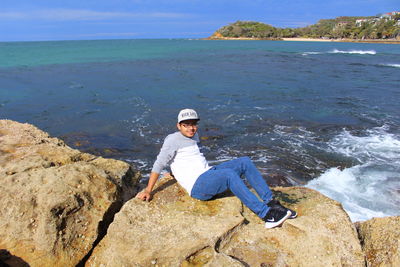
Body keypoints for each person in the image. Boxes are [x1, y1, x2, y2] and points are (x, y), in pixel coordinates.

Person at [136, 108, 297, 228]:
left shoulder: (195, 135)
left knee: (244, 162)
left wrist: (174, 172)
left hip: (208, 173)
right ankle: (266, 215)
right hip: (198, 186)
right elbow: (159, 163)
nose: (191, 128)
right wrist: (149, 190)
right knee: (228, 175)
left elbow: (188, 159)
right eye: (186, 125)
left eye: (193, 125)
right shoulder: (172, 140)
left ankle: (271, 203)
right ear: (178, 126)